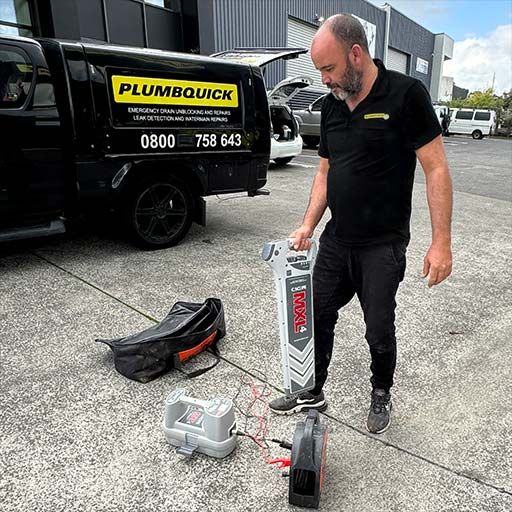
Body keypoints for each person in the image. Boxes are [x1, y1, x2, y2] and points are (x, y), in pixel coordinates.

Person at [269, 14, 453, 434]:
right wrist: (308, 225)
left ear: (356, 54)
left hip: (382, 243)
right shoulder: (333, 106)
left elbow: (436, 168)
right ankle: (312, 388)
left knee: (378, 329)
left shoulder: (405, 94)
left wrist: (441, 242)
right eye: (320, 71)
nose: (324, 80)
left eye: (329, 68)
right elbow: (324, 171)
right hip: (338, 239)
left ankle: (381, 391)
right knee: (315, 314)